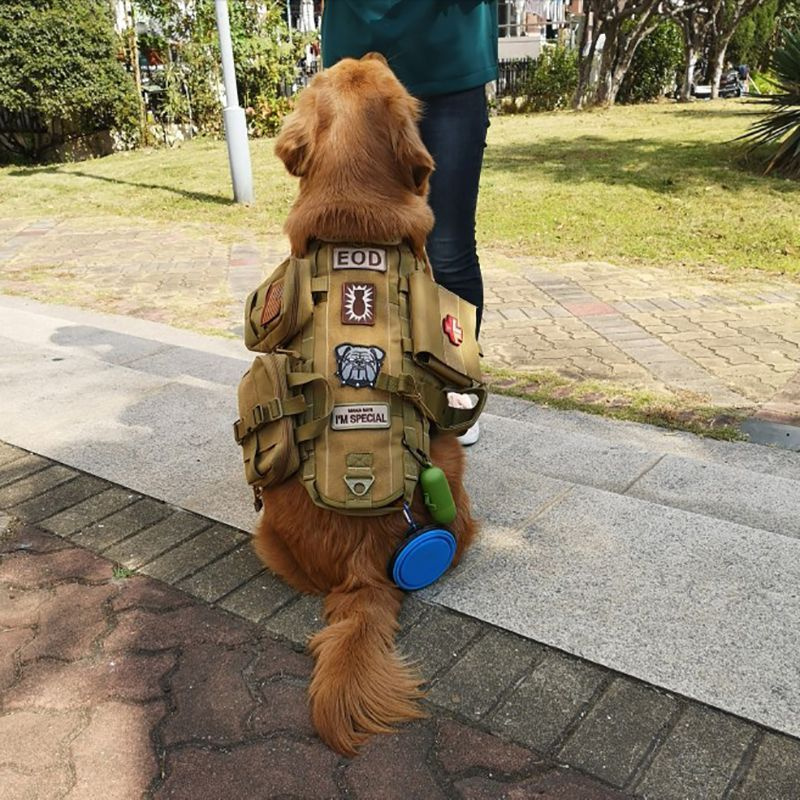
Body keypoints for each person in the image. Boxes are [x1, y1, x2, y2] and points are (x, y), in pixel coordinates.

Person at [320, 0, 498, 445]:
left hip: (449, 57)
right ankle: (360, 386)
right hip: (355, 68)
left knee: (449, 249)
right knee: (352, 241)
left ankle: (453, 390)